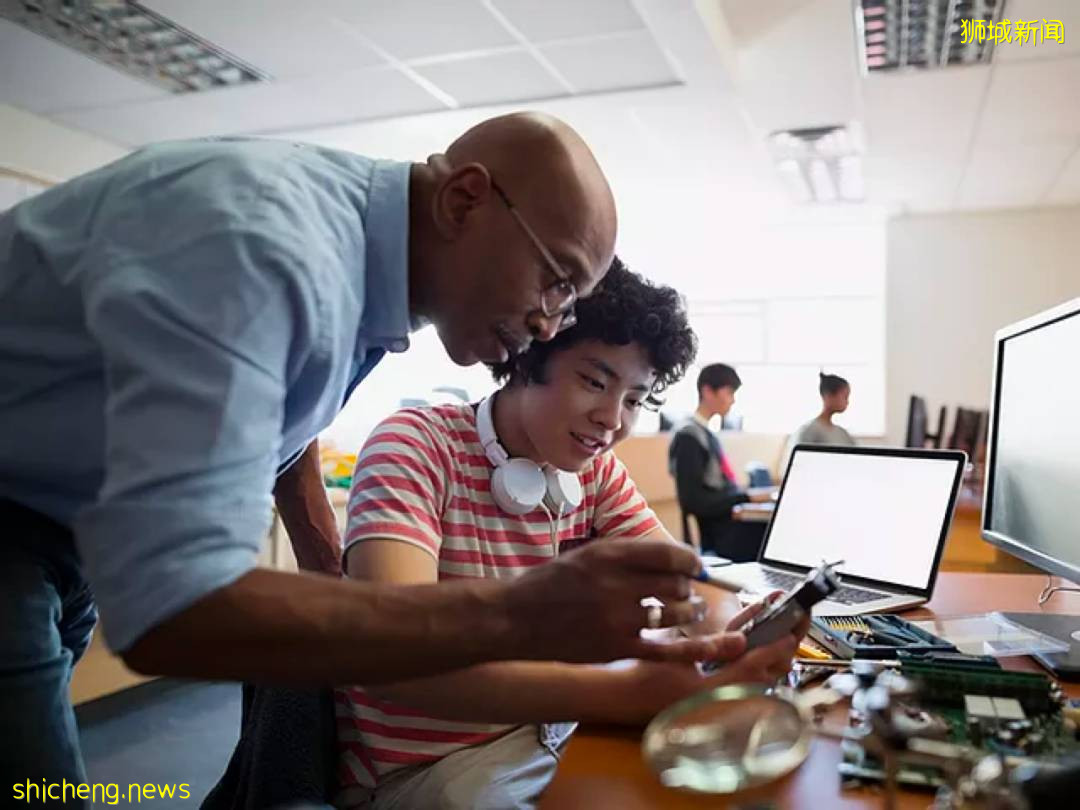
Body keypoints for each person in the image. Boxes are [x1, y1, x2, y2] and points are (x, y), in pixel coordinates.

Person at [0, 113, 722, 789]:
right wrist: (521, 615)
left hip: (70, 525)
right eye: (555, 280)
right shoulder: (269, 251)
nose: (546, 323)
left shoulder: (362, 280)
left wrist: (328, 566)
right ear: (466, 200)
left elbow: (285, 421)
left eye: (569, 305)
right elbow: (175, 609)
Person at [334, 261, 806, 809]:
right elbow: (396, 663)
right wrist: (625, 694)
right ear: (527, 357)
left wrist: (739, 628)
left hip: (554, 732)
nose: (611, 419)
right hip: (431, 769)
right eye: (594, 381)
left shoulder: (593, 471)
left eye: (634, 398)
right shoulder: (415, 446)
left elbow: (685, 581)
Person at [668, 364, 773, 558]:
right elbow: (693, 501)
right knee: (772, 536)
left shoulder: (707, 434)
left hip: (730, 523)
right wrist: (747, 497)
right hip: (720, 534)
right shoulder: (688, 437)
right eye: (729, 392)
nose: (732, 400)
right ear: (708, 391)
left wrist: (748, 496)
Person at [786, 372, 856, 456]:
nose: (847, 402)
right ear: (828, 396)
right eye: (845, 397)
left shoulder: (843, 433)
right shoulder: (809, 431)